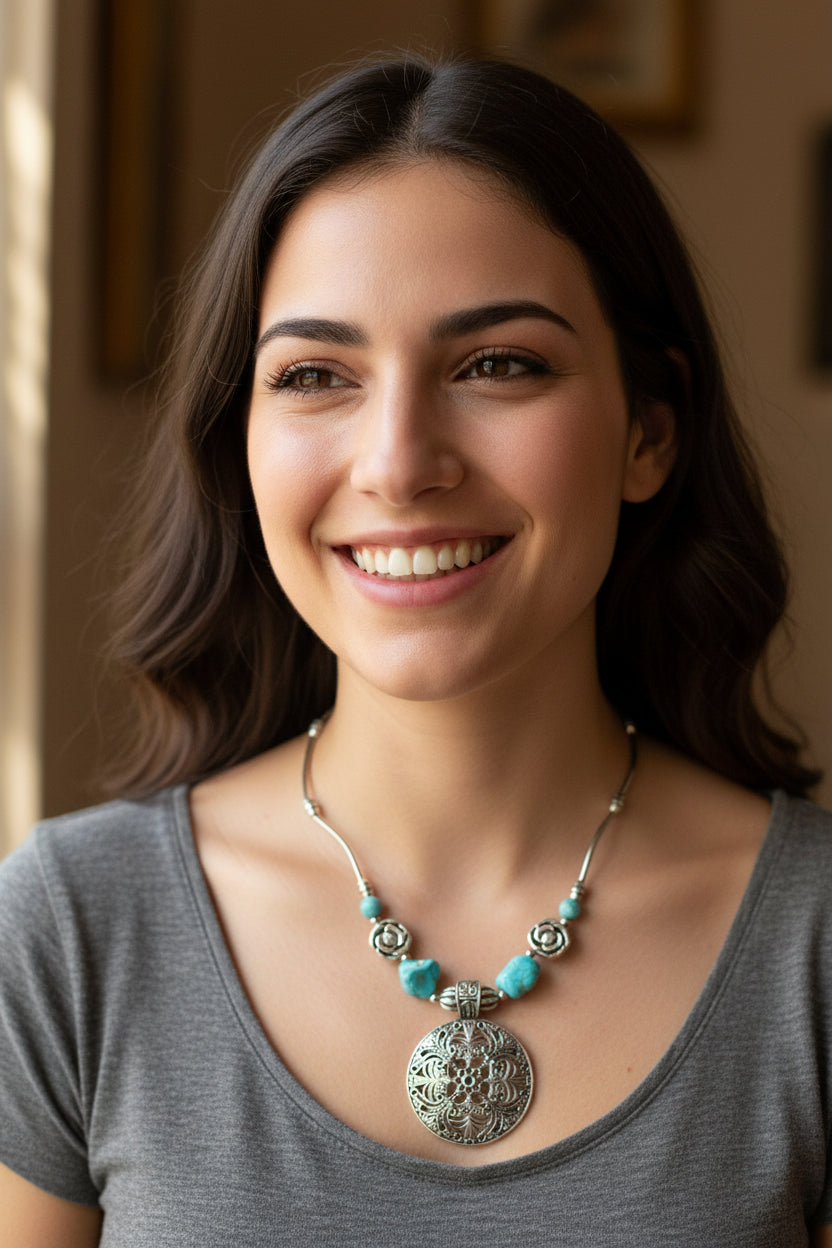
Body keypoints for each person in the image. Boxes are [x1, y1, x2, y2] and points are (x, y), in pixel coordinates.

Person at [1, 54, 830, 1246]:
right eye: (315, 376)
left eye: (498, 364)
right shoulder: (68, 933)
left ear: (650, 430)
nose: (398, 461)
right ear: (241, 443)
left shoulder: (814, 943)